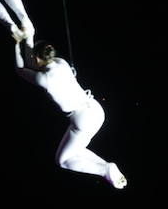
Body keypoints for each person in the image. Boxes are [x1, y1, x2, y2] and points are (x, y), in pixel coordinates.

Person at [14, 40, 127, 188]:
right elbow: (34, 64)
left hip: (83, 120)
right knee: (76, 150)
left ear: (36, 58)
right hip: (95, 109)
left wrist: (17, 45)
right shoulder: (61, 62)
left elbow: (20, 69)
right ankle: (107, 168)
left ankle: (105, 169)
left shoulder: (43, 79)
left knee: (63, 160)